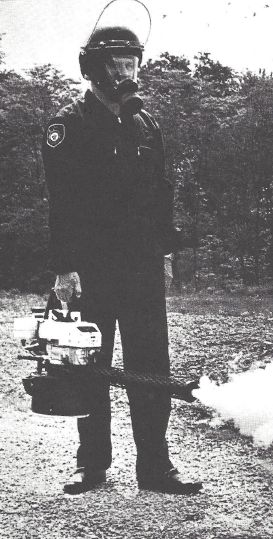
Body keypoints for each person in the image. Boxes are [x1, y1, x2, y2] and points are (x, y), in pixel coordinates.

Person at [42, 0, 202, 496]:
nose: (124, 69)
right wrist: (65, 268)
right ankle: (92, 464)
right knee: (91, 364)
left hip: (141, 269)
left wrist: (168, 251)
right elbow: (61, 202)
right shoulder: (66, 126)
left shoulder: (146, 125)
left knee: (150, 366)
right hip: (90, 269)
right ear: (91, 67)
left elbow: (160, 197)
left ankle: (155, 466)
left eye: (131, 60)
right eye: (113, 61)